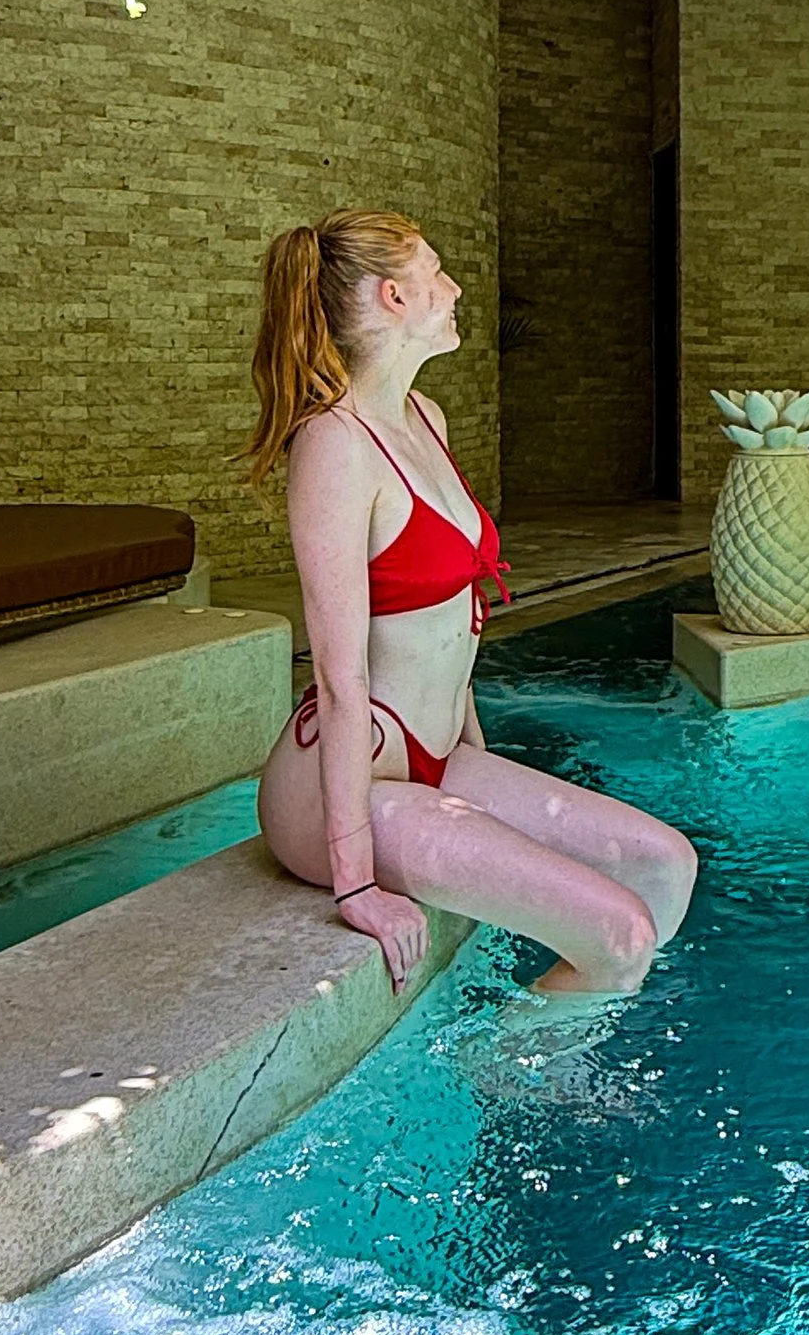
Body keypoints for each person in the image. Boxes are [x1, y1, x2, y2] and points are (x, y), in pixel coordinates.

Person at [250, 210, 698, 999]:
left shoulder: (425, 418)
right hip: (347, 784)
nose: (455, 288)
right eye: (436, 270)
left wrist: (477, 769)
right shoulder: (335, 445)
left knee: (666, 865)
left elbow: (454, 617)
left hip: (436, 754)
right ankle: (514, 1065)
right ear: (393, 296)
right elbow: (341, 676)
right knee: (620, 934)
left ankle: (558, 1048)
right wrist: (358, 884)